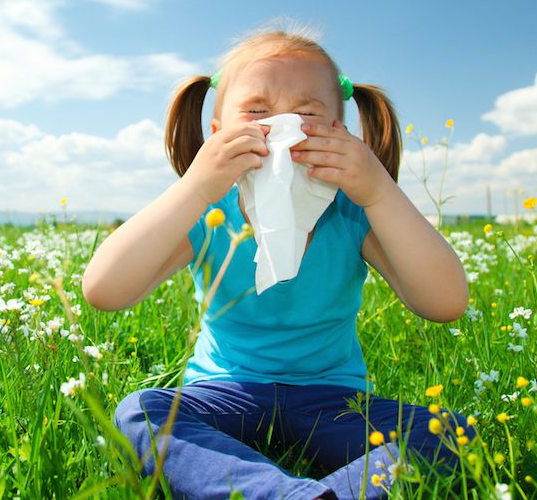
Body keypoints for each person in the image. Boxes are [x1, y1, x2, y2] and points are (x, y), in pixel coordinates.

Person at [82, 25, 474, 499]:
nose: (282, 128)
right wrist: (196, 186)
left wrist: (379, 191)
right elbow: (104, 289)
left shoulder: (353, 210)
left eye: (307, 113)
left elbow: (445, 301)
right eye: (257, 112)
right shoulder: (210, 213)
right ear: (217, 132)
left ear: (339, 132)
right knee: (140, 413)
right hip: (226, 392)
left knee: (448, 431)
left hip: (336, 401)